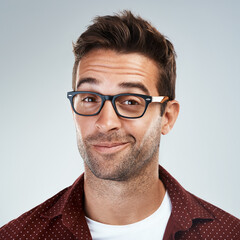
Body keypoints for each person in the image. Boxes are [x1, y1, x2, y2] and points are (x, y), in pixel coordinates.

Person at [0, 10, 239, 240]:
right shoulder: (17, 236)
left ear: (167, 117)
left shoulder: (229, 234)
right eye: (90, 99)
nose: (105, 123)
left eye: (130, 101)